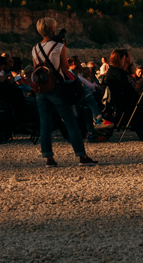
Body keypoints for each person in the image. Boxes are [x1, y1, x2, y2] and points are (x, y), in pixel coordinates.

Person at [31, 18, 97, 167]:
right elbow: (66, 68)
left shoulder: (34, 48)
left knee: (45, 123)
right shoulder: (59, 46)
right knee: (69, 121)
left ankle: (49, 158)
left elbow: (36, 69)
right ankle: (82, 155)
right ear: (52, 29)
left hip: (41, 89)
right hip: (56, 88)